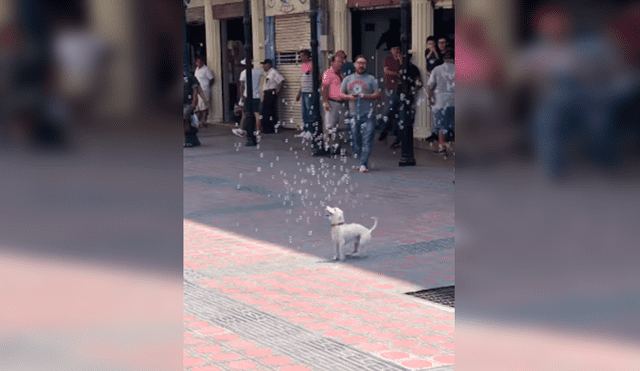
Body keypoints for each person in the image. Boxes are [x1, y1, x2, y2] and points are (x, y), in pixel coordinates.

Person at [340, 55, 381, 173]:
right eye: (359, 63)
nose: (361, 65)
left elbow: (378, 95)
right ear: (354, 64)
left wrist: (367, 96)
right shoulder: (348, 79)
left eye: (363, 63)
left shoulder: (371, 79)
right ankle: (361, 161)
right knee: (355, 140)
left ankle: (363, 164)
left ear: (366, 65)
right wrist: (349, 97)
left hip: (368, 115)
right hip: (353, 114)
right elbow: (341, 94)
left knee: (367, 140)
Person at [427, 47, 455, 155]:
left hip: (441, 101)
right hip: (455, 100)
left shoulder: (437, 69)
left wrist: (430, 97)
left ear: (443, 58)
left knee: (441, 125)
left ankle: (442, 147)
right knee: (454, 125)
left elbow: (430, 85)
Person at [232, 58, 263, 143]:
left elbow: (242, 86)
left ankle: (241, 129)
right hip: (257, 95)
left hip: (248, 96)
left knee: (245, 113)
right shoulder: (258, 71)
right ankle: (258, 130)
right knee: (257, 114)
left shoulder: (244, 73)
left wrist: (241, 97)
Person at [322, 55, 346, 155]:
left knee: (339, 127)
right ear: (332, 63)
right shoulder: (328, 73)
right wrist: (325, 101)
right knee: (330, 126)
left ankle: (337, 147)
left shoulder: (340, 74)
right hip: (332, 102)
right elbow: (324, 88)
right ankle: (328, 147)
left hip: (341, 103)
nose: (340, 64)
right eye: (338, 62)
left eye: (341, 62)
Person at [378, 46, 402, 147]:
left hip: (400, 89)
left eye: (398, 49)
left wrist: (400, 60)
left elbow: (403, 70)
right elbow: (386, 71)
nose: (396, 51)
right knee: (388, 109)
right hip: (390, 87)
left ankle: (393, 132)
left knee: (397, 111)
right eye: (394, 49)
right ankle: (383, 128)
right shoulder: (388, 59)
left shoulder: (402, 59)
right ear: (391, 51)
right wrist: (397, 74)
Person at [295, 49, 320, 144]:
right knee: (304, 112)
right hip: (304, 91)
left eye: (302, 56)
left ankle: (311, 131)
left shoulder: (312, 64)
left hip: (310, 92)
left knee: (311, 112)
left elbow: (317, 77)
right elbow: (302, 81)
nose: (301, 58)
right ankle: (306, 130)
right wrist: (299, 93)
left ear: (307, 56)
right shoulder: (303, 66)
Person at [260, 58, 284, 134]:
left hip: (270, 93)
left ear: (268, 65)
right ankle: (268, 128)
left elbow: (281, 81)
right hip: (267, 93)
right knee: (267, 111)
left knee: (269, 111)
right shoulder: (268, 73)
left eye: (264, 65)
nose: (263, 66)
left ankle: (270, 128)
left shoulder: (273, 72)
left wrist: (278, 92)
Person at [193, 56, 215, 126]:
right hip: (197, 90)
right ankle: (197, 122)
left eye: (199, 61)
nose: (197, 63)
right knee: (197, 107)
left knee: (204, 106)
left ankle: (204, 121)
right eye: (196, 62)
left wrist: (208, 86)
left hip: (204, 90)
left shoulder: (206, 69)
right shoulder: (197, 69)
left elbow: (212, 78)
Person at [184, 68, 201, 148]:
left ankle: (187, 140)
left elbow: (196, 89)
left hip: (187, 103)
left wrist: (194, 101)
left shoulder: (188, 75)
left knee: (185, 119)